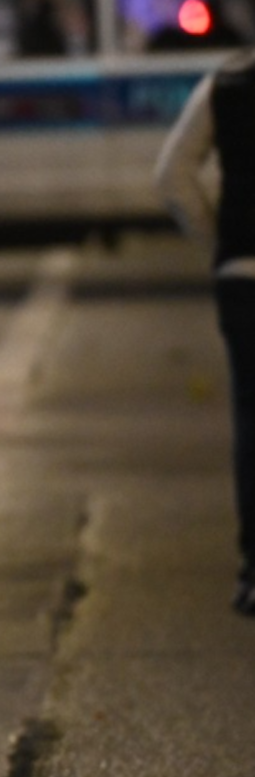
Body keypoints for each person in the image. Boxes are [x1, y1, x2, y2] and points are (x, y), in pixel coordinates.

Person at [154, 47, 255, 617]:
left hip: (244, 273)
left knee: (251, 418)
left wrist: (219, 242)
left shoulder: (228, 83)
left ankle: (254, 571)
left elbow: (171, 177)